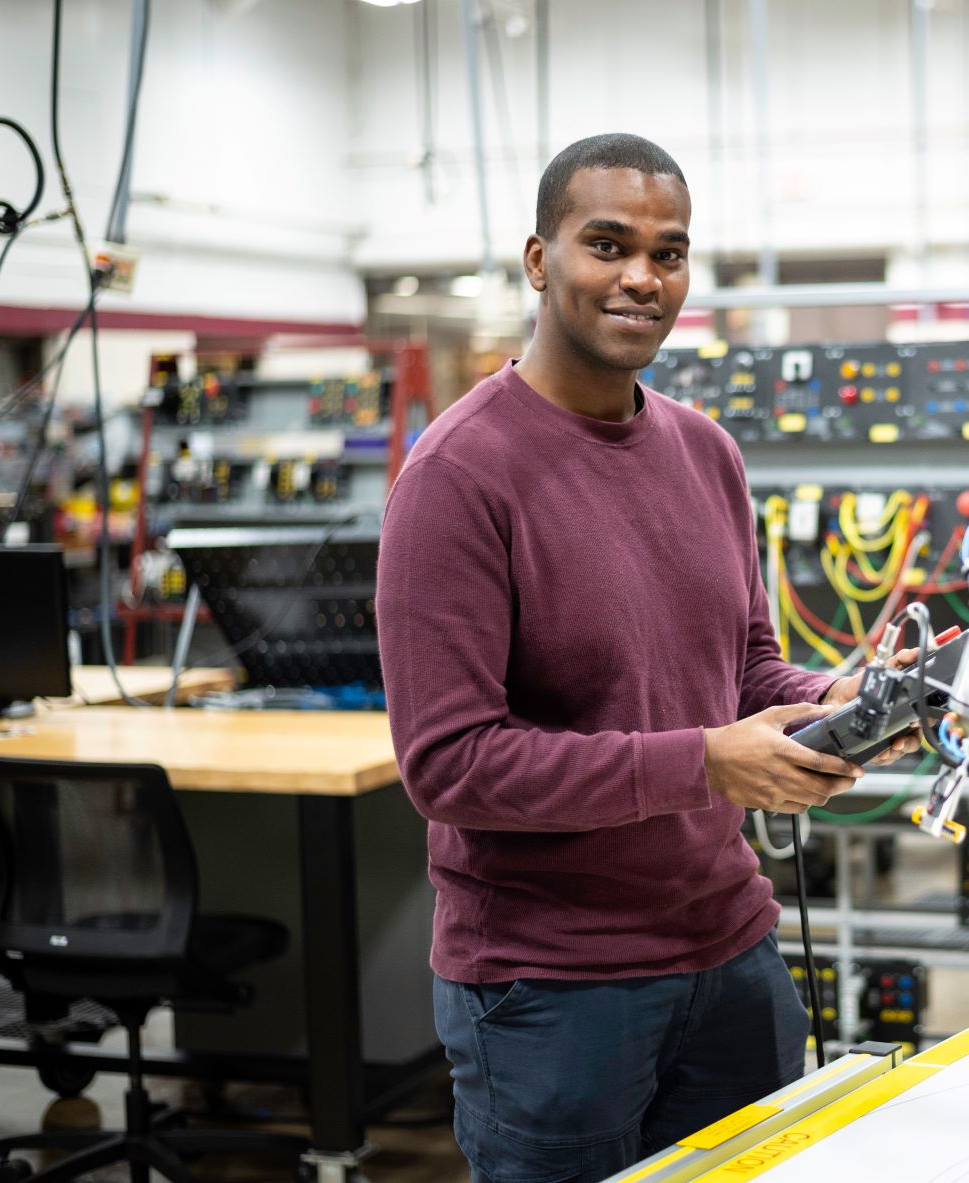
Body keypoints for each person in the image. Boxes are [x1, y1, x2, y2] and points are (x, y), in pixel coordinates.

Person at [376, 133, 920, 1183]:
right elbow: (448, 765)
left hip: (731, 955)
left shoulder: (706, 451)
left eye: (668, 253)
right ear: (539, 261)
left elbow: (745, 667)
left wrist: (835, 698)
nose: (642, 277)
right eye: (607, 244)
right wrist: (705, 763)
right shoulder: (456, 476)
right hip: (551, 994)